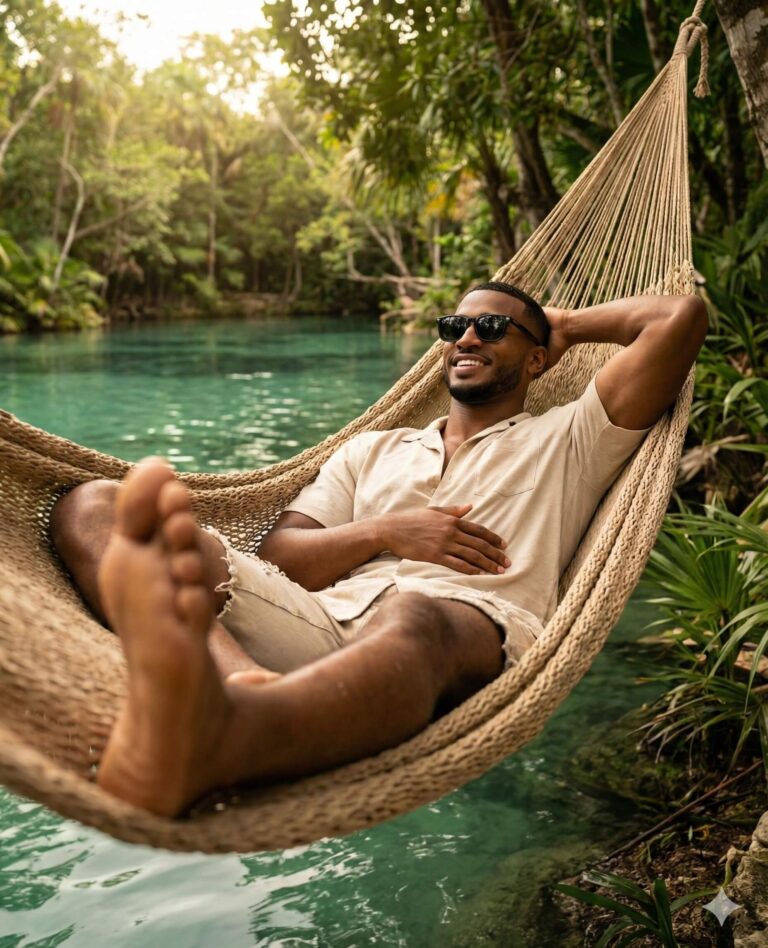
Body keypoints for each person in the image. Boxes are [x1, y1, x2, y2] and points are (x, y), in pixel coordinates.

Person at [51, 282, 707, 817]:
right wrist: (387, 532)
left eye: (493, 328)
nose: (467, 337)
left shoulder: (572, 437)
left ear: (539, 359)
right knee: (93, 505)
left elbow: (680, 318)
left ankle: (233, 736)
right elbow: (284, 555)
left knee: (414, 614)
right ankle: (232, 689)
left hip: (463, 629)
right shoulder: (373, 450)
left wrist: (560, 323)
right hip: (322, 624)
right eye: (455, 327)